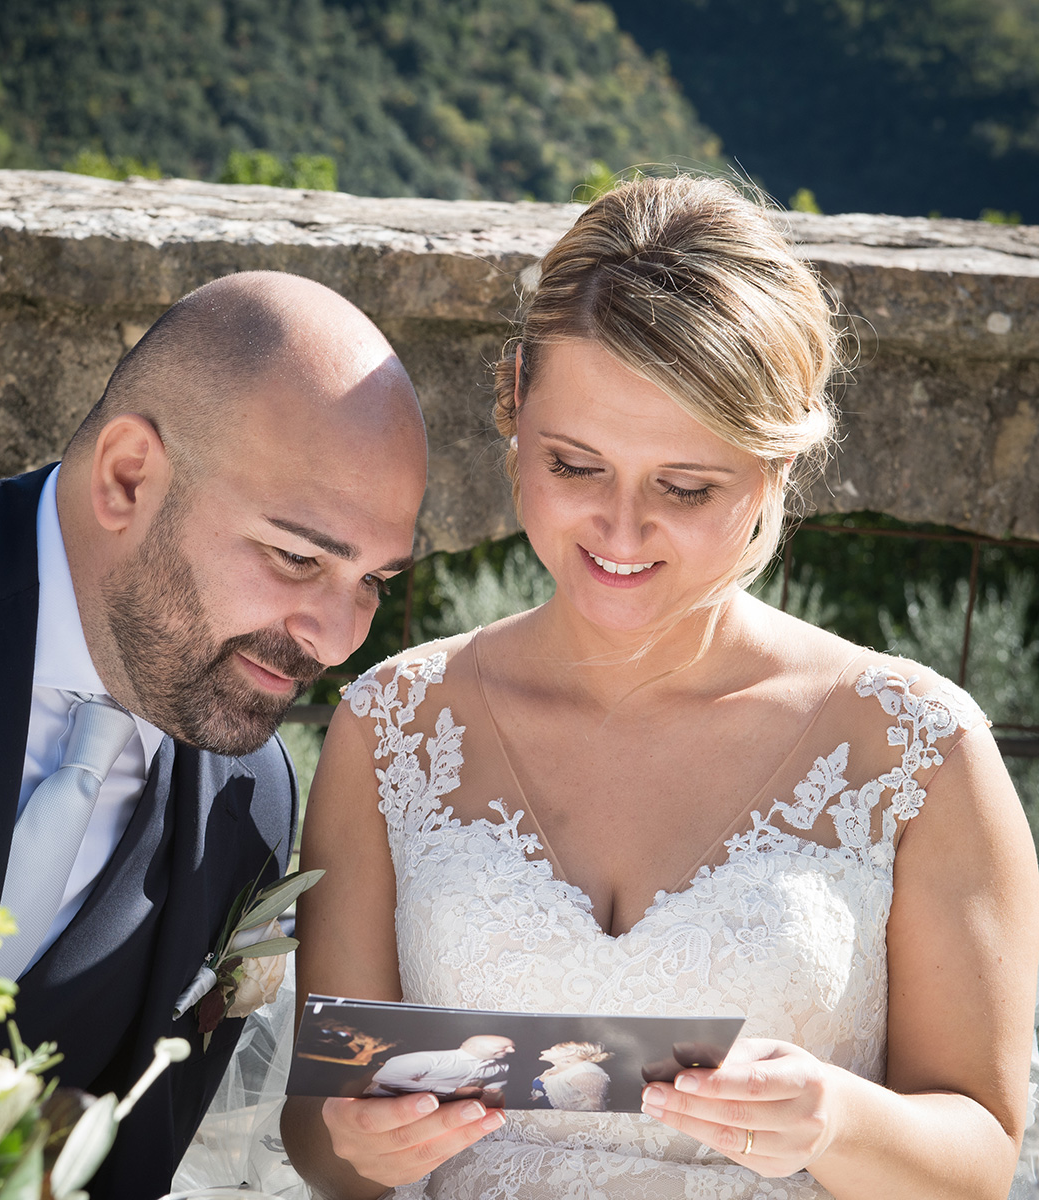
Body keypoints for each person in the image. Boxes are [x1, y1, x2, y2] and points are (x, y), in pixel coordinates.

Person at [281, 176, 1039, 1200]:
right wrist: (359, 1145)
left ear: (776, 466)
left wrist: (835, 1118)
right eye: (575, 466)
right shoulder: (392, 727)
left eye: (686, 488)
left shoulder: (919, 750)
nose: (621, 532)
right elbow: (324, 1133)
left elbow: (981, 1158)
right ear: (514, 401)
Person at [0, 271, 427, 1200]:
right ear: (128, 477)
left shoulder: (254, 802)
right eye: (297, 557)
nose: (337, 636)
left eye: (374, 582)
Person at [365, 1035, 515, 1101]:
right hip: (386, 1102)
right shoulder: (430, 1059)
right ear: (471, 1047)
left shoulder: (500, 1066)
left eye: (511, 1048)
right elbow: (384, 1078)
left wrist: (493, 1088)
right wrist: (453, 1091)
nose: (511, 1051)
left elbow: (500, 1079)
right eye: (504, 1047)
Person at [531, 1042, 612, 1112]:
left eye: (552, 1049)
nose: (543, 1051)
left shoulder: (585, 1071)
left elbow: (597, 1106)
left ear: (569, 1053)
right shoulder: (554, 1069)